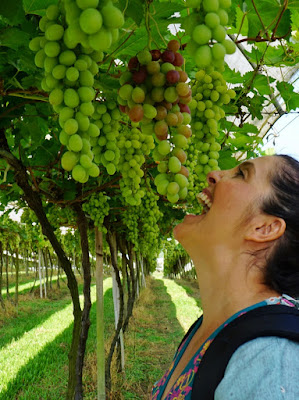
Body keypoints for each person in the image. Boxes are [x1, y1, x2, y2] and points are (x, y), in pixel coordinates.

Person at [151, 154, 299, 400]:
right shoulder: (213, 326)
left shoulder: (270, 362)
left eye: (242, 174)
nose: (214, 174)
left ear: (264, 228)